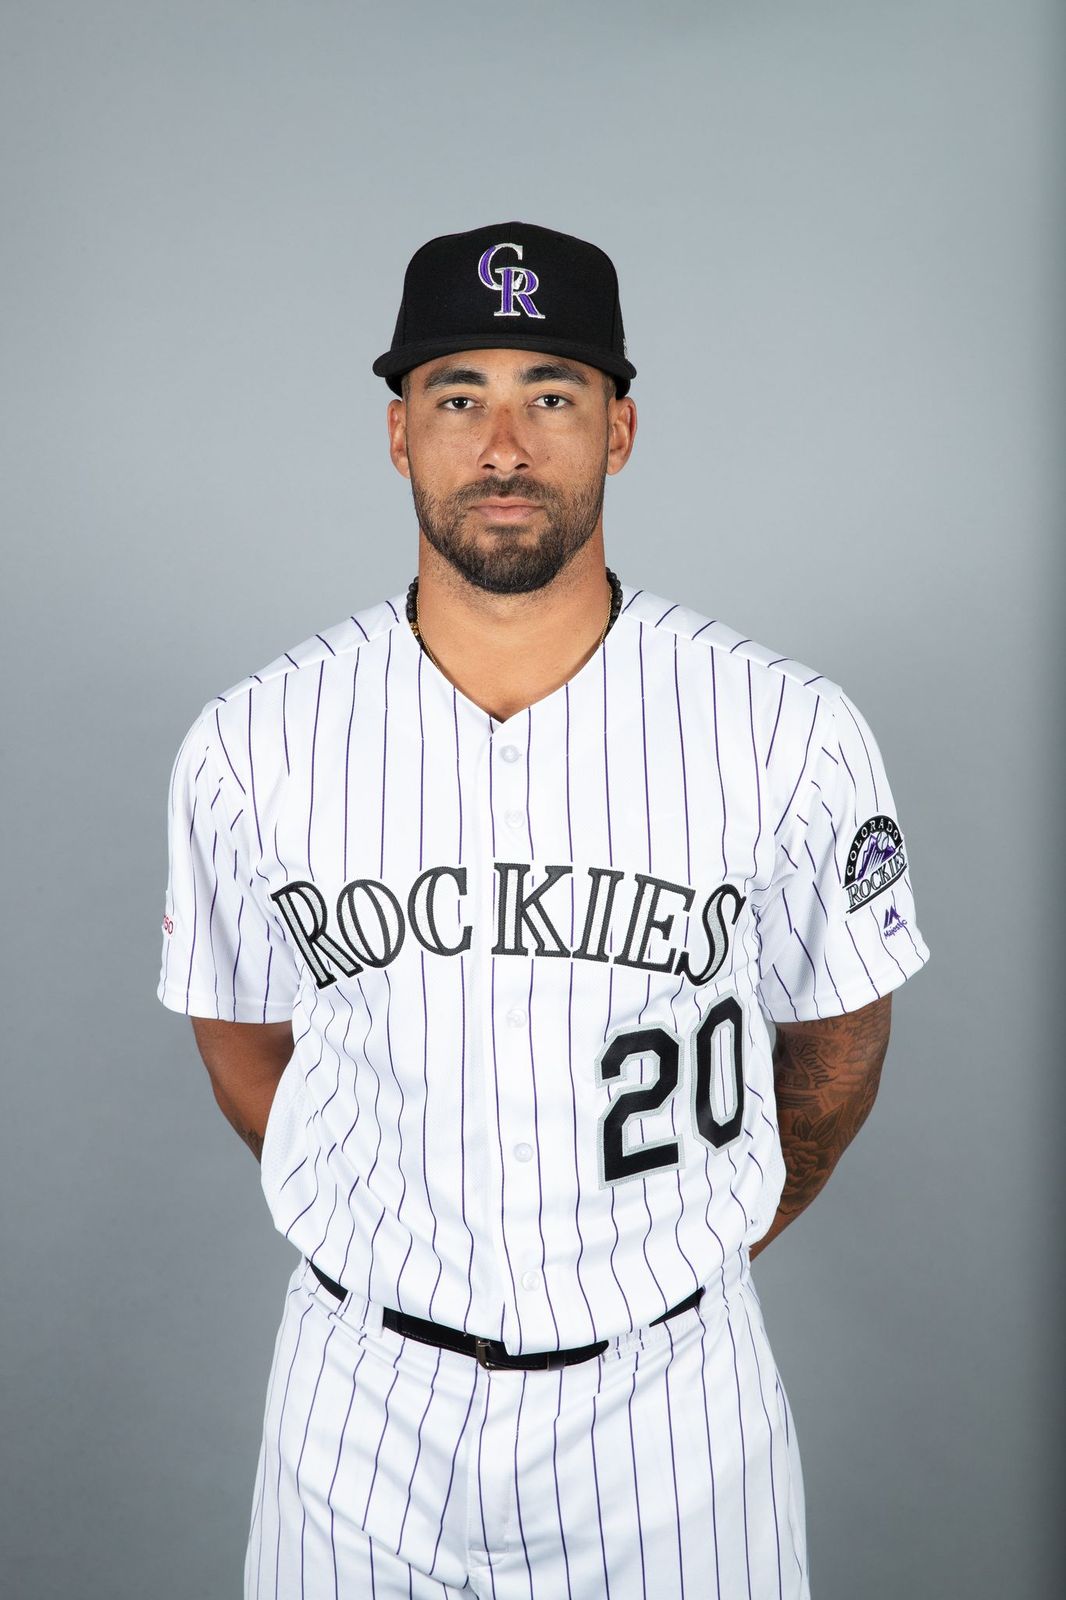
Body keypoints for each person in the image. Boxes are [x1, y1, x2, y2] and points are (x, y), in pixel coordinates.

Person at [158, 221, 929, 1600]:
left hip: (671, 1406)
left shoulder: (783, 729)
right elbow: (239, 1037)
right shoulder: (255, 738)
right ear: (398, 433)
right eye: (457, 395)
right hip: (359, 1401)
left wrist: (676, 1260)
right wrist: (394, 1221)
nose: (501, 444)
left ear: (618, 431)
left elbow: (834, 1053)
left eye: (551, 396)